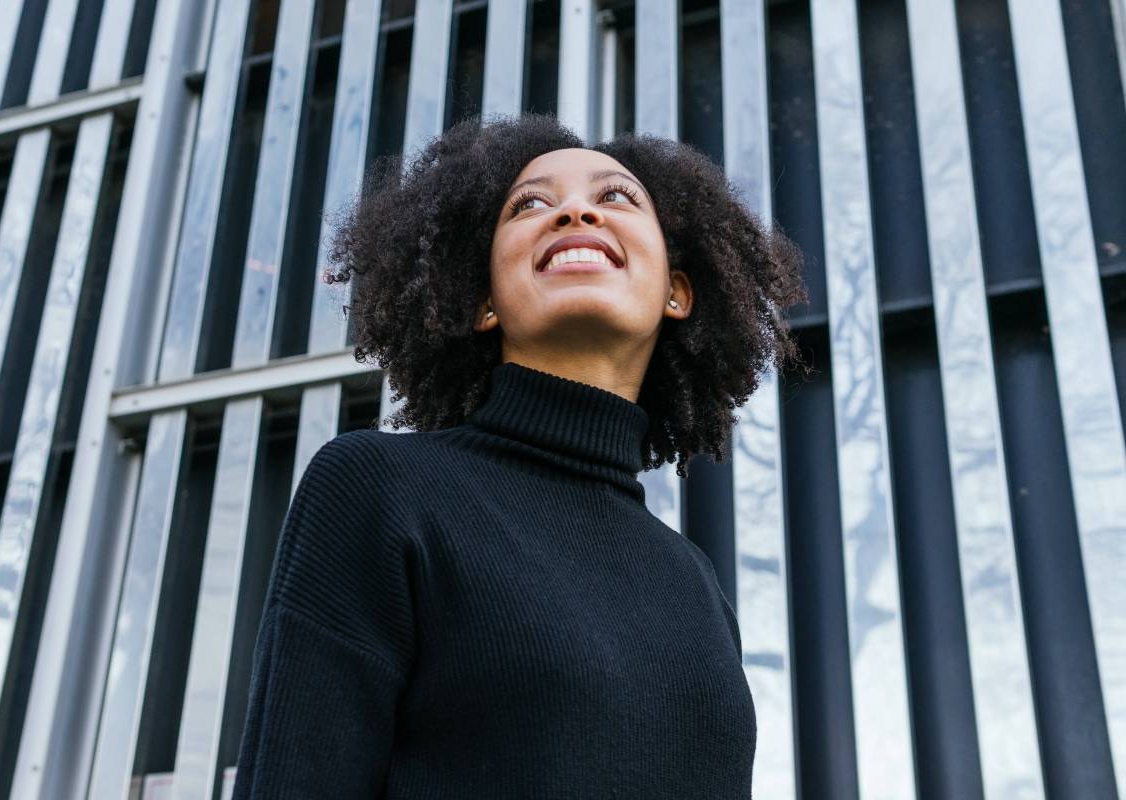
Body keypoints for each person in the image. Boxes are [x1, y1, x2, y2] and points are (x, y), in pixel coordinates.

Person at [232, 112, 806, 798]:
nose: (573, 213)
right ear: (484, 305)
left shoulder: (695, 583)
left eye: (615, 198)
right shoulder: (379, 490)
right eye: (530, 204)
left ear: (678, 292)